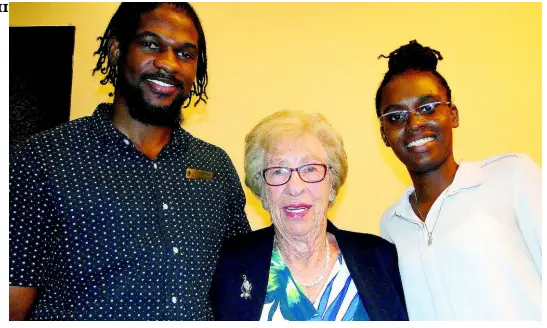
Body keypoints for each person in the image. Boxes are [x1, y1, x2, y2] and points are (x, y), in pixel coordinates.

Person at [9, 2, 250, 320]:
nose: (169, 64)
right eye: (151, 44)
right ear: (116, 50)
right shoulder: (42, 159)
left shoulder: (215, 166)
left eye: (185, 54)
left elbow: (242, 279)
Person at [375, 40, 541, 320]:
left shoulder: (512, 176)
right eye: (396, 117)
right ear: (384, 135)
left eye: (427, 108)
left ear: (452, 115)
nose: (414, 123)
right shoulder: (392, 224)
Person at [209, 110, 408, 321]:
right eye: (278, 170)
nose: (295, 187)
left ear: (332, 184)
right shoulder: (227, 264)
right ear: (263, 191)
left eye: (310, 168)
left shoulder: (381, 258)